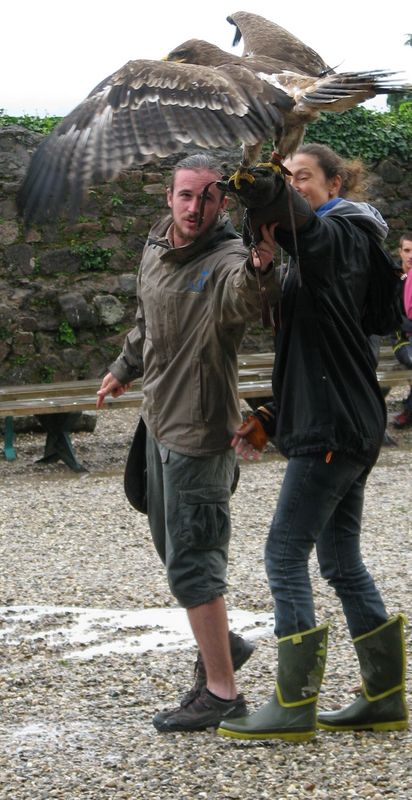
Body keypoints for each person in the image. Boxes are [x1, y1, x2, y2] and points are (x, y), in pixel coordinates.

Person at [216, 143, 408, 741]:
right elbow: (320, 353)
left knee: (283, 552)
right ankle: (383, 697)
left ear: (335, 183)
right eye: (289, 176)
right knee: (341, 561)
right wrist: (274, 413)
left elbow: (304, 226)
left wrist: (264, 183)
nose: (296, 185)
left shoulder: (341, 236)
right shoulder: (326, 248)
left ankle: (293, 704)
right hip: (342, 420)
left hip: (332, 428)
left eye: (304, 176)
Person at [96, 152, 281, 733]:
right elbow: (146, 321)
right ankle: (225, 643)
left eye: (207, 196)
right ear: (168, 197)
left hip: (200, 433)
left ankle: (222, 693)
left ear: (222, 202)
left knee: (195, 564)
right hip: (157, 421)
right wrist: (124, 368)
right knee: (174, 551)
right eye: (185, 194)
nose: (194, 207)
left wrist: (262, 266)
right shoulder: (157, 245)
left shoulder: (226, 260)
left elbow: (246, 296)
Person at [391, 232, 412, 429]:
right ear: (400, 252)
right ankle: (409, 410)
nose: (411, 255)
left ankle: (409, 408)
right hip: (401, 339)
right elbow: (395, 318)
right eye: (407, 250)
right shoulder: (394, 277)